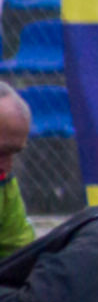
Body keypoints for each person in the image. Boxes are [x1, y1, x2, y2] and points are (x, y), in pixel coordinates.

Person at [0, 83, 35, 256]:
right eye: (0, 152)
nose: (7, 166)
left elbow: (19, 252)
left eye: (14, 153)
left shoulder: (4, 183)